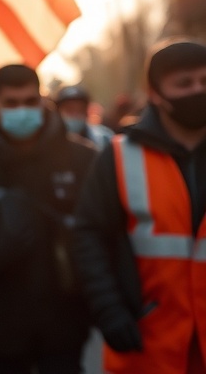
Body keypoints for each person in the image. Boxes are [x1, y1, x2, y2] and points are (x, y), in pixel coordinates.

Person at [0, 64, 97, 374]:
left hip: (65, 320)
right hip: (2, 326)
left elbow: (102, 234)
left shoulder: (82, 159)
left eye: (29, 101)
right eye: (11, 103)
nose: (21, 111)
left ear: (42, 101)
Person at [73, 38, 206, 374]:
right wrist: (109, 310)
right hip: (148, 341)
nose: (198, 90)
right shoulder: (119, 156)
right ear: (155, 93)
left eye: (205, 81)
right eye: (184, 83)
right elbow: (89, 237)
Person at [55, 84, 113, 150]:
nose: (75, 115)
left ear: (86, 111)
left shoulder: (104, 138)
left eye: (80, 110)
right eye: (69, 110)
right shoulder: (49, 139)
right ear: (58, 112)